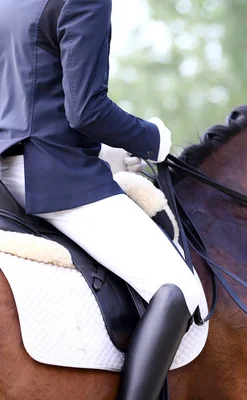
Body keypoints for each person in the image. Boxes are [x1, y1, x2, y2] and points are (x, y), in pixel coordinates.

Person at [0, 0, 204, 398]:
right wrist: (153, 138)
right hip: (56, 180)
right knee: (179, 286)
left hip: (6, 176)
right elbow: (86, 111)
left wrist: (104, 155)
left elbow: (29, 96)